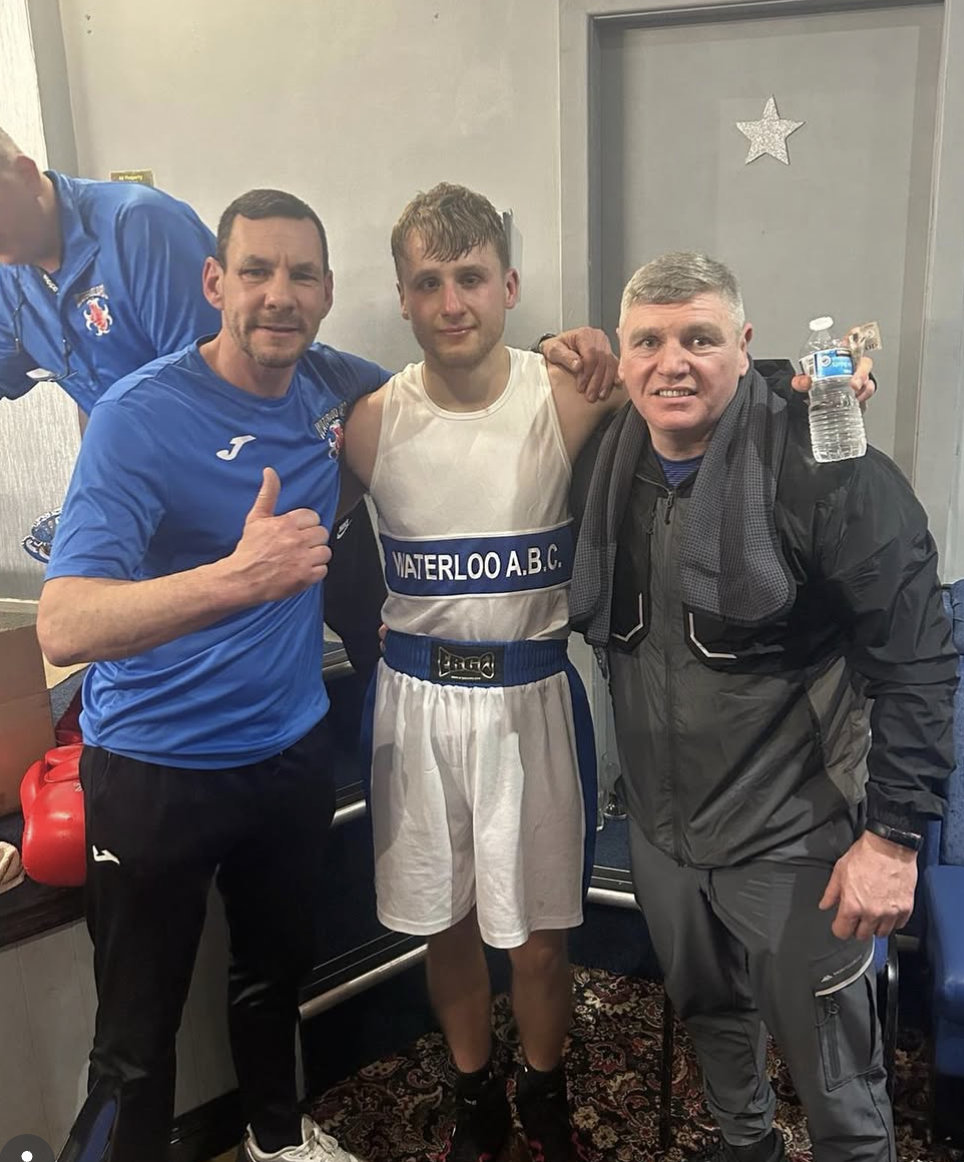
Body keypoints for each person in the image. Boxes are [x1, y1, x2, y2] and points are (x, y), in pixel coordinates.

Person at [569, 251, 956, 1162]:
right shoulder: (608, 463)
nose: (674, 363)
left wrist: (894, 839)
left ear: (745, 346)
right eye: (649, 342)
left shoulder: (828, 468)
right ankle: (746, 1148)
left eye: (701, 338)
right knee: (711, 1019)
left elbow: (919, 658)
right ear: (622, 360)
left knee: (836, 1077)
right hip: (667, 835)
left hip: (799, 839)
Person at [36, 188, 384, 1162]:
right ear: (213, 281)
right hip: (154, 769)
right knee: (135, 1043)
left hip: (285, 757)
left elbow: (453, 387)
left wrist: (578, 359)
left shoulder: (333, 386)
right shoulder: (138, 417)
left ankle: (278, 1140)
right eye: (257, 270)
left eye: (301, 274)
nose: (279, 294)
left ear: (325, 292)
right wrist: (236, 579)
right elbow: (64, 621)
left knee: (275, 981)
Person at [344, 183, 628, 1162]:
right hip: (417, 706)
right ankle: (474, 1093)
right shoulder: (370, 419)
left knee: (539, 936)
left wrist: (594, 344)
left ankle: (542, 1090)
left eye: (470, 277)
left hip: (531, 698)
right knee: (445, 920)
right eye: (429, 282)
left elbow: (692, 386)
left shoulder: (565, 390)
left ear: (507, 285)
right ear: (403, 296)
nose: (452, 300)